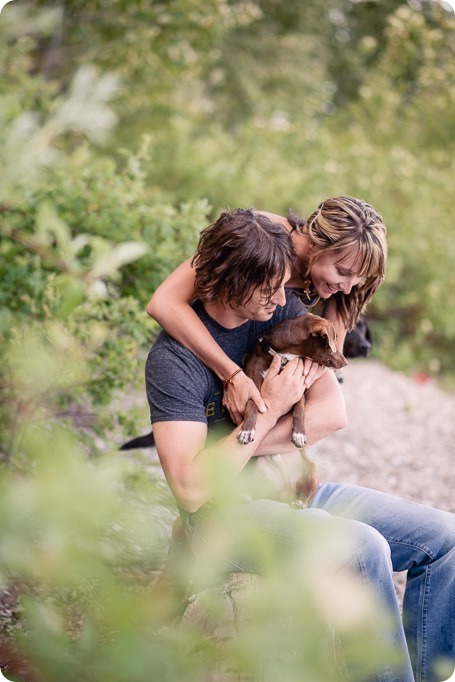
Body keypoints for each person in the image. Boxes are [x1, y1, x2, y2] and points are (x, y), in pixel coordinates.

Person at [145, 208, 455, 682]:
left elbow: (333, 412)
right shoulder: (173, 362)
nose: (285, 296)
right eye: (271, 287)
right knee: (362, 546)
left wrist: (253, 436)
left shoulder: (279, 310)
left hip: (293, 494)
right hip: (227, 516)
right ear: (232, 279)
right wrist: (268, 404)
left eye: (285, 285)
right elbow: (190, 489)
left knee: (445, 538)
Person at [147, 196, 387, 425]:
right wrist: (232, 375)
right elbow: (164, 303)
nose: (348, 288)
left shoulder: (347, 277)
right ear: (315, 242)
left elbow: (330, 353)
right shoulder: (259, 240)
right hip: (212, 337)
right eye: (342, 272)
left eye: (360, 277)